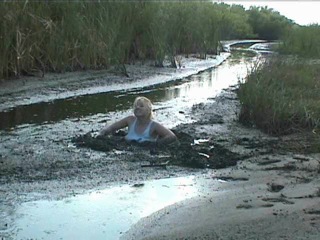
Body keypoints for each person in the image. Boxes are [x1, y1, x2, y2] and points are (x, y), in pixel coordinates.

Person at [99, 96, 177, 145]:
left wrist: (156, 144)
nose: (137, 107)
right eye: (135, 106)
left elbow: (171, 136)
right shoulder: (130, 120)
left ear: (148, 110)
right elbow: (112, 127)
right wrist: (104, 132)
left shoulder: (154, 126)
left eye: (141, 106)